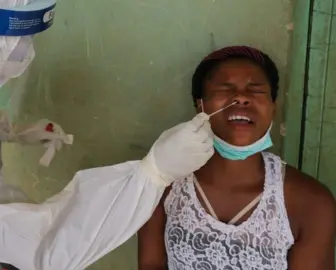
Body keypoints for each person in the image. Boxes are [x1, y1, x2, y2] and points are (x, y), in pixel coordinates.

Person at [0, 1, 216, 269]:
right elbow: (48, 246)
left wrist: (10, 132)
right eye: (9, 34)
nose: (20, 47)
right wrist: (153, 173)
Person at [138, 46, 336, 270]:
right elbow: (151, 264)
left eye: (256, 90)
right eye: (225, 89)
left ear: (273, 107)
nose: (241, 97)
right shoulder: (164, 182)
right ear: (200, 105)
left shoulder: (310, 202)